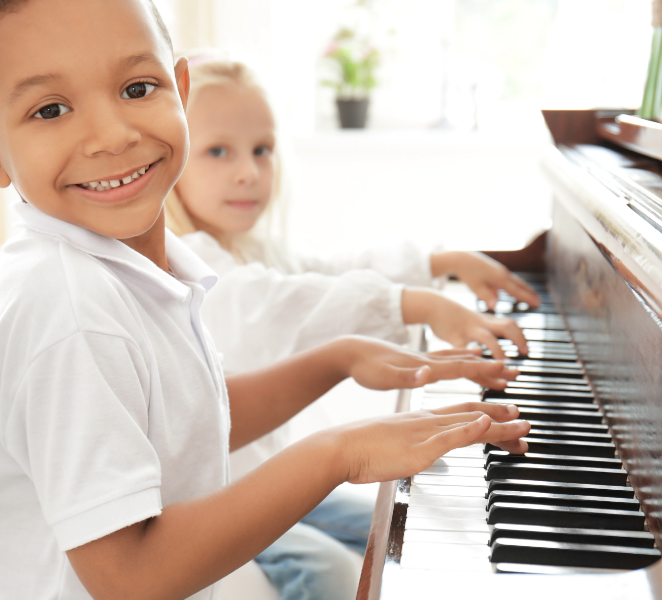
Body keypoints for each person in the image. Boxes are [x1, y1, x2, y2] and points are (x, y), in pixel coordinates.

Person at [0, 1, 531, 599]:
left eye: (137, 88)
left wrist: (338, 359)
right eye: (50, 109)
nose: (113, 134)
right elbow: (128, 578)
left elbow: (188, 426)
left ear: (180, 90)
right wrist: (339, 452)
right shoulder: (71, 310)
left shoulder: (129, 269)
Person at [162, 54, 541, 599]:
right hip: (211, 500)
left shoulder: (249, 246)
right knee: (324, 571)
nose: (248, 171)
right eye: (218, 151)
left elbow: (329, 270)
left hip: (265, 479)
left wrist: (435, 263)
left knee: (395, 530)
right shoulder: (184, 258)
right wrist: (411, 304)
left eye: (262, 150)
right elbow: (280, 304)